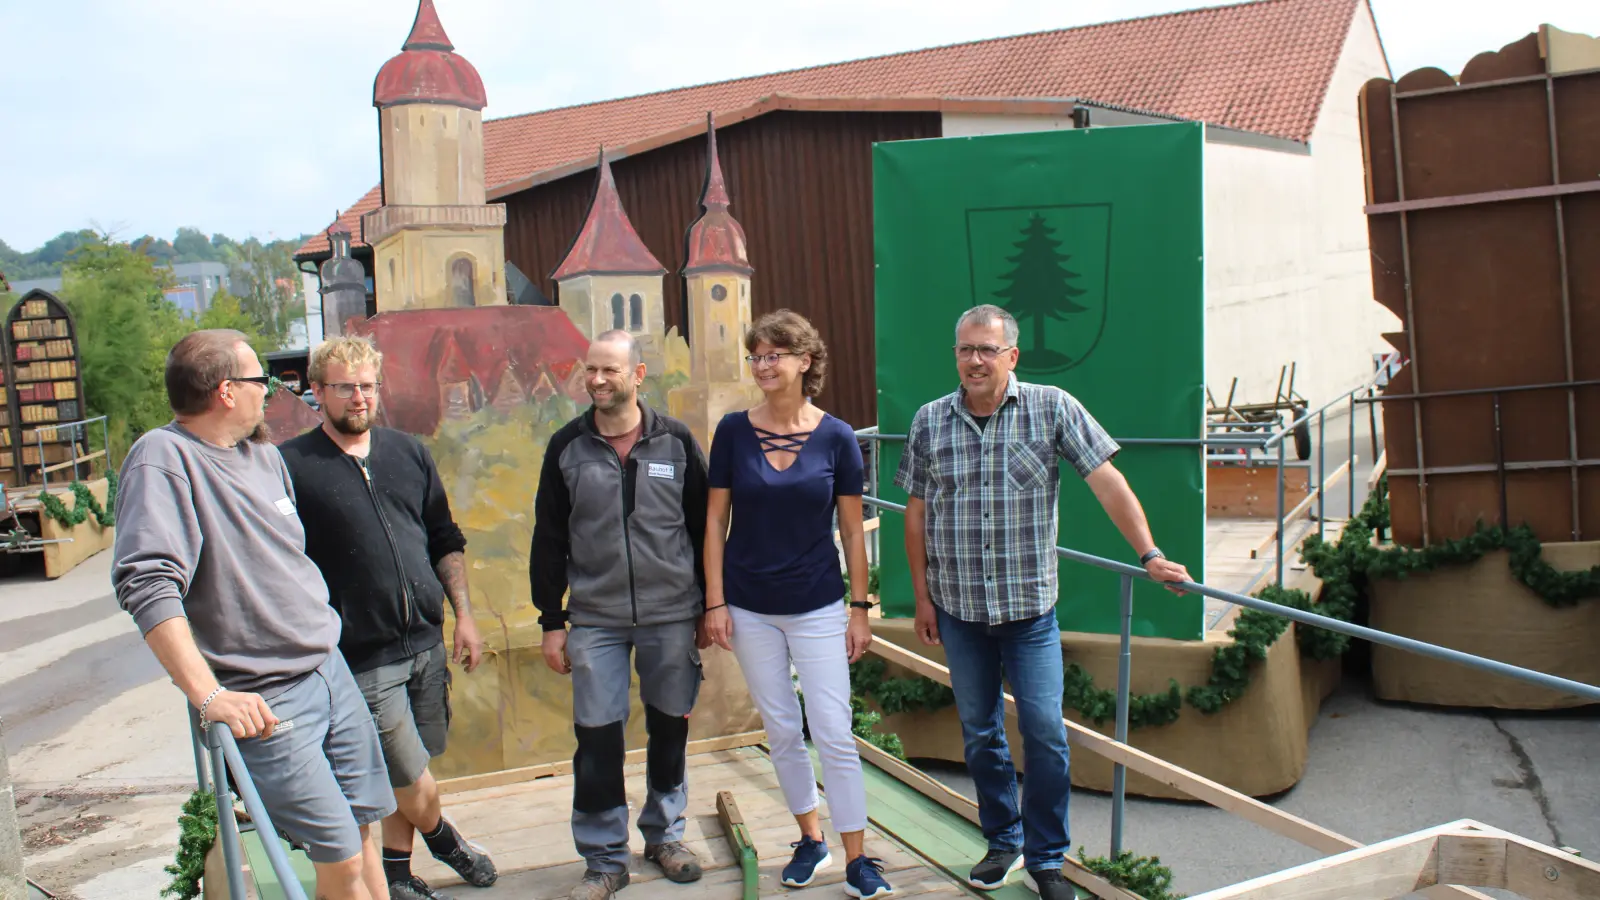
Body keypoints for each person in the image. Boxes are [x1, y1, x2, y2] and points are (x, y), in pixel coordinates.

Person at [894, 304, 1192, 899]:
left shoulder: (1051, 407)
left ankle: (1047, 857)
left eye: (986, 349)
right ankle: (1002, 839)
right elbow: (917, 513)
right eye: (964, 350)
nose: (974, 360)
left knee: (1046, 735)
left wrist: (1149, 555)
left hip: (1029, 610)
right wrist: (922, 598)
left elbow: (1109, 482)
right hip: (959, 611)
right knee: (980, 733)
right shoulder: (930, 420)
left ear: (1012, 355)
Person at [111, 329, 394, 900]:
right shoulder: (163, 460)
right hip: (268, 698)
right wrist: (209, 697)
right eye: (259, 380)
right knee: (336, 852)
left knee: (365, 828)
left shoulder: (264, 457)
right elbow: (148, 585)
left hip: (328, 671)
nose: (270, 391)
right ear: (224, 391)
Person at [279, 336, 497, 900]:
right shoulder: (293, 467)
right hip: (362, 654)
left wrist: (463, 617)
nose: (358, 397)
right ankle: (448, 841)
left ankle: (397, 874)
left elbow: (444, 539)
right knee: (405, 774)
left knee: (412, 766)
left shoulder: (408, 452)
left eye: (367, 385)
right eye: (344, 386)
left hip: (426, 641)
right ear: (318, 391)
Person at [702, 309, 893, 900]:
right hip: (749, 603)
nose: (763, 365)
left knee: (833, 731)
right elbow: (714, 521)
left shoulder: (836, 436)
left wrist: (859, 608)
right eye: (756, 355)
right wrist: (715, 602)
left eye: (774, 354)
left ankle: (858, 858)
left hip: (816, 602)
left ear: (804, 361)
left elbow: (854, 530)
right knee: (782, 727)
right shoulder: (733, 431)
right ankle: (810, 837)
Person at [530, 330, 711, 900]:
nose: (598, 380)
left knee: (669, 731)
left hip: (671, 614)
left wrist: (710, 604)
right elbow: (549, 538)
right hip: (596, 619)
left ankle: (664, 835)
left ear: (638, 375)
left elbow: (707, 529)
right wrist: (551, 620)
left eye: (610, 370)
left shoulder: (677, 443)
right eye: (591, 370)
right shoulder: (567, 446)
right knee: (599, 738)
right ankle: (605, 859)